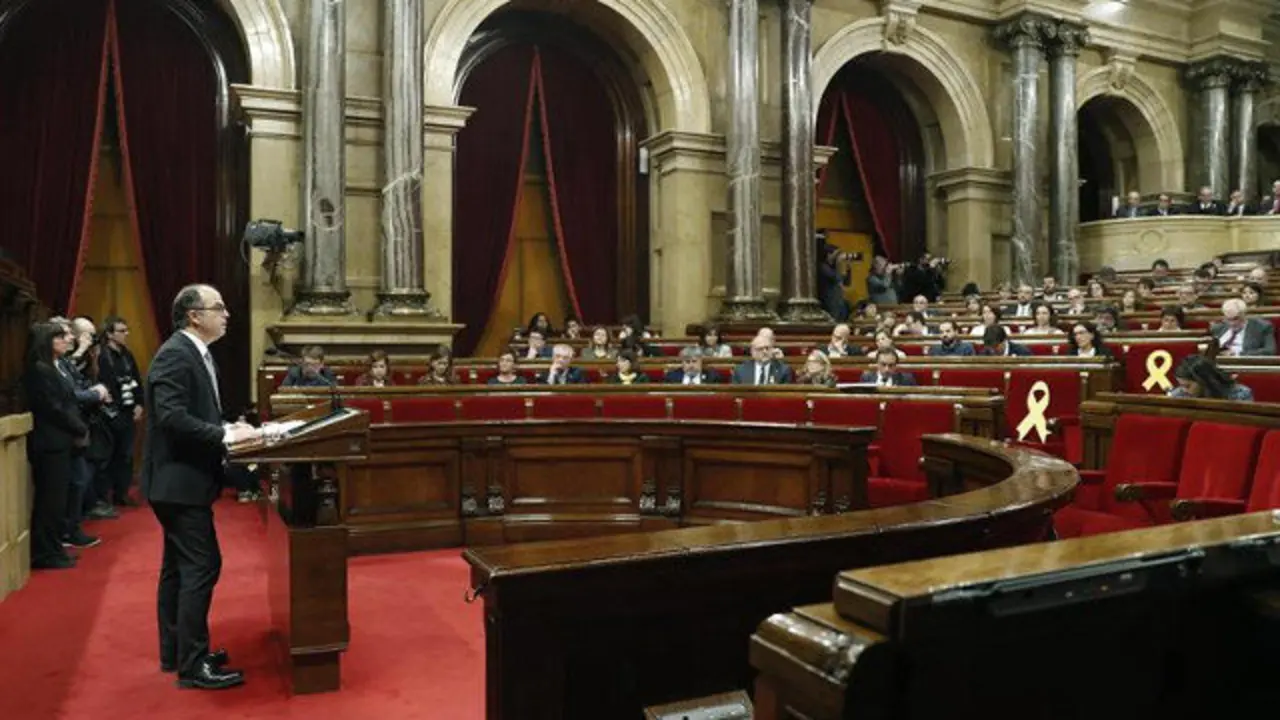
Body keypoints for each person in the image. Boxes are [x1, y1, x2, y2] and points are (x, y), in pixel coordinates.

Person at [143, 284, 261, 689]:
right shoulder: (177, 354)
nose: (227, 314)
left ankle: (178, 653)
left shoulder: (194, 353)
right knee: (201, 567)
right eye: (219, 307)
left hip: (182, 480)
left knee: (178, 569)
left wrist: (228, 426)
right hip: (179, 482)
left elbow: (192, 414)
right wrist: (226, 436)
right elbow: (172, 418)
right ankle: (193, 666)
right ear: (194, 315)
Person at [23, 322, 90, 570]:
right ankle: (45, 553)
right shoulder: (40, 370)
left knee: (58, 501)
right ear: (46, 341)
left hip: (60, 441)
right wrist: (78, 427)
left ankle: (53, 549)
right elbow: (53, 408)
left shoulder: (54, 367)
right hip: (49, 443)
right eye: (59, 337)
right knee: (49, 502)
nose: (66, 340)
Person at [97, 316, 144, 508]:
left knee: (126, 455)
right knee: (107, 456)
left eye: (127, 330)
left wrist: (140, 403)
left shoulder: (127, 354)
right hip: (107, 413)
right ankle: (103, 497)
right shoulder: (101, 355)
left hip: (128, 411)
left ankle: (121, 493)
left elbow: (137, 380)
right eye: (121, 331)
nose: (126, 334)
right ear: (109, 334)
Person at [1167, 355, 1253, 401]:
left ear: (1203, 381)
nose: (1183, 390)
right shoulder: (1178, 394)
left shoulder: (1240, 394)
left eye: (1187, 386)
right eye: (1180, 385)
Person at [1211, 298, 1277, 357]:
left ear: (1244, 315)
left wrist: (1238, 354)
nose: (1232, 323)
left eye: (1236, 319)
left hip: (1244, 366)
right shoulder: (1219, 328)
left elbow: (1270, 351)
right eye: (1228, 319)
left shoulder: (1262, 327)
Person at [818, 242, 853, 320]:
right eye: (836, 254)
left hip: (840, 303)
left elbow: (847, 283)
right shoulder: (823, 267)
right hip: (830, 304)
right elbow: (835, 278)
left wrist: (849, 268)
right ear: (829, 255)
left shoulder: (834, 269)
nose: (838, 257)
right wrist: (838, 264)